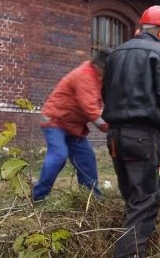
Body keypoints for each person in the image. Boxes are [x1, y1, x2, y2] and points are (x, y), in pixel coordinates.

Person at [101, 5, 160, 258]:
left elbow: (105, 92)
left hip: (115, 136)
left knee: (132, 198)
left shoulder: (115, 54)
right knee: (146, 201)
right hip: (143, 136)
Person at [32, 49, 110, 202]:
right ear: (101, 66)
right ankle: (38, 197)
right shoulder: (85, 76)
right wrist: (114, 128)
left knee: (86, 158)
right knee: (59, 155)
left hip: (73, 126)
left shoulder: (98, 77)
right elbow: (92, 111)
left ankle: (92, 199)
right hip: (55, 120)